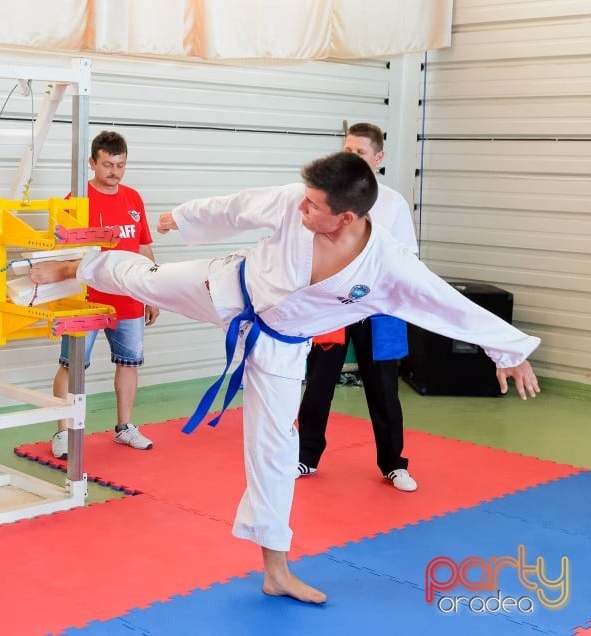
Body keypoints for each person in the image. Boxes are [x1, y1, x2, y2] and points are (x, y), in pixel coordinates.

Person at [29, 151, 540, 604]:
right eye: (305, 199)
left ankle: (276, 570)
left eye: (314, 206)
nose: (302, 208)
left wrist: (509, 349)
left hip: (281, 347)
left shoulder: (387, 267)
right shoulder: (295, 201)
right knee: (146, 280)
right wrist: (178, 218)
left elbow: (443, 303)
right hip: (231, 288)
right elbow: (237, 207)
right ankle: (81, 266)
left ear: (346, 216)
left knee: (274, 451)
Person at [297, 122, 420, 491]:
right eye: (347, 150)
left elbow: (407, 255)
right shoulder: (326, 197)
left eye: (360, 153)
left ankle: (393, 463)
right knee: (318, 383)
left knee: (383, 389)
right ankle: (305, 456)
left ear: (378, 158)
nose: (351, 157)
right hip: (332, 306)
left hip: (378, 308)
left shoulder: (393, 202)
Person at [49, 131, 160, 459]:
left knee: (129, 364)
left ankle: (125, 428)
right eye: (108, 165)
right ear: (92, 163)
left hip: (129, 298)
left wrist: (152, 292)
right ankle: (63, 432)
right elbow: (62, 254)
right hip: (86, 300)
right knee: (72, 364)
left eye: (121, 165)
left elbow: (143, 246)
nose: (114, 171)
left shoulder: (133, 198)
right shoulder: (76, 200)